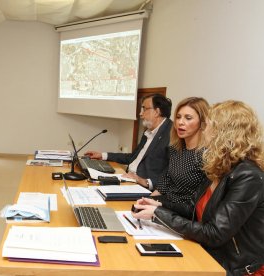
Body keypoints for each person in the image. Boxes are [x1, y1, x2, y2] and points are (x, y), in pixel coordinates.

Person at [132, 100, 264, 275]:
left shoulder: (248, 176)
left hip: (233, 267)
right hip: (209, 252)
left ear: (224, 133)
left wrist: (158, 215)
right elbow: (193, 210)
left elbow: (215, 233)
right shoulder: (221, 167)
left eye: (208, 125)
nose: (205, 130)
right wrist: (160, 205)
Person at [85, 94, 173, 190]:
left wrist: (145, 182)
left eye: (144, 109)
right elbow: (132, 157)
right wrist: (102, 155)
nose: (140, 113)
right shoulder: (149, 132)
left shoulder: (172, 134)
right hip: (128, 178)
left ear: (156, 112)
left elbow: (172, 173)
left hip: (143, 188)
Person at [151, 97, 209, 204]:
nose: (180, 122)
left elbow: (197, 203)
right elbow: (165, 180)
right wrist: (149, 200)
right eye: (178, 117)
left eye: (188, 118)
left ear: (202, 122)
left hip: (183, 214)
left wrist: (159, 206)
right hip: (165, 205)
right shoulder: (175, 149)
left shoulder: (206, 155)